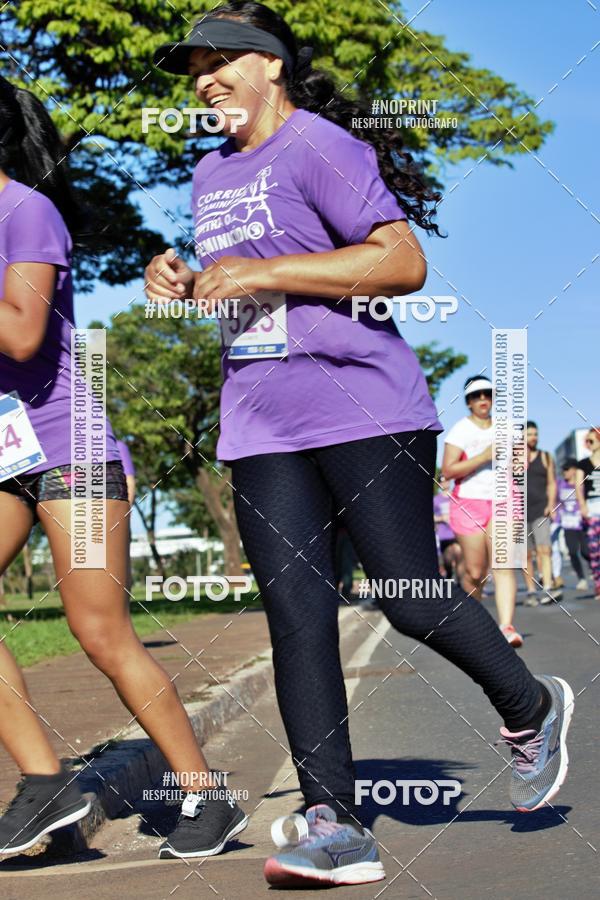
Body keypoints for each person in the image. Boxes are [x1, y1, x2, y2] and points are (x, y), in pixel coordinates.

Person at [150, 3, 574, 887]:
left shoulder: (321, 147)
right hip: (260, 419)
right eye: (195, 67)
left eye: (222, 59)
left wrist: (261, 271)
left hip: (366, 408)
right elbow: (241, 282)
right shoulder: (205, 176)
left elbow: (399, 260)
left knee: (412, 597)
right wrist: (185, 278)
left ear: (270, 66)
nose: (205, 78)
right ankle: (334, 825)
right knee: (296, 618)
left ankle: (528, 703)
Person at [0, 75, 247, 859]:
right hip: (7, 451)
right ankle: (46, 787)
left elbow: (21, 335)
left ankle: (208, 797)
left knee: (101, 631)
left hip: (68, 445)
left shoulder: (24, 211)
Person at [442, 376, 523, 647]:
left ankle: (506, 626)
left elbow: (520, 462)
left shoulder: (508, 427)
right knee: (475, 572)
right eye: (477, 396)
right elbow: (449, 470)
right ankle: (475, 624)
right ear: (468, 402)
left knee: (503, 564)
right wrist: (483, 457)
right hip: (469, 502)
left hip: (503, 500)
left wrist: (519, 461)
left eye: (487, 394)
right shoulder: (460, 431)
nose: (483, 400)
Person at [524, 421, 561, 605]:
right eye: (529, 434)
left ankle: (548, 587)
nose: (533, 437)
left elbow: (552, 482)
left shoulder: (546, 457)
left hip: (541, 509)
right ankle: (531, 592)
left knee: (544, 549)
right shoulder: (514, 459)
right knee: (526, 555)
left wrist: (551, 504)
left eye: (535, 434)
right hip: (520, 513)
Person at [575, 428, 600, 601]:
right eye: (587, 441)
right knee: (594, 550)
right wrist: (582, 505)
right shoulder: (583, 464)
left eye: (592, 441)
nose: (588, 444)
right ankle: (599, 584)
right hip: (592, 511)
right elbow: (578, 486)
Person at [559, 458, 590, 591]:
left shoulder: (581, 483)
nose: (564, 472)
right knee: (572, 552)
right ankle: (582, 579)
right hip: (567, 524)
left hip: (582, 523)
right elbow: (555, 500)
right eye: (563, 469)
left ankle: (595, 571)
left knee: (586, 552)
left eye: (567, 469)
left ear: (574, 470)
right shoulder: (560, 484)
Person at [434, 475, 463, 580]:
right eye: (441, 481)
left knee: (459, 554)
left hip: (456, 532)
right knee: (448, 560)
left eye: (446, 481)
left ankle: (461, 585)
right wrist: (442, 517)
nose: (444, 483)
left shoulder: (456, 497)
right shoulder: (435, 500)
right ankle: (449, 576)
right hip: (444, 535)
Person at [116, 438, 136, 591]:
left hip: (116, 511)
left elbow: (130, 482)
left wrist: (125, 512)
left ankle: (123, 602)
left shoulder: (118, 446)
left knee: (120, 560)